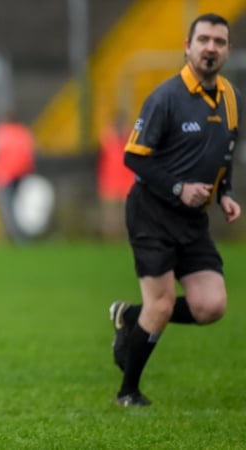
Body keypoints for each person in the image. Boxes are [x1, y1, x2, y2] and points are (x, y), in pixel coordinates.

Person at [108, 13, 242, 407]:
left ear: (228, 49)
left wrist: (225, 193)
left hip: (192, 220)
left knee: (211, 306)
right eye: (203, 40)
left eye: (219, 41)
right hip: (151, 213)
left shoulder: (232, 98)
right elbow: (134, 157)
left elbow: (226, 151)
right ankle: (128, 392)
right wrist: (179, 188)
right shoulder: (165, 97)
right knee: (162, 303)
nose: (210, 48)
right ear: (188, 46)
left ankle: (130, 316)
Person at [0, 109, 36, 243]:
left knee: (7, 209)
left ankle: (17, 238)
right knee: (19, 209)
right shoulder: (23, 133)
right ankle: (18, 236)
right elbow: (31, 154)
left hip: (3, 177)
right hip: (21, 176)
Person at [96, 111, 135, 240]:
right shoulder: (107, 137)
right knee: (110, 215)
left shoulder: (131, 137)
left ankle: (126, 237)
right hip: (110, 182)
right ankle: (110, 238)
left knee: (127, 213)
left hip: (127, 182)